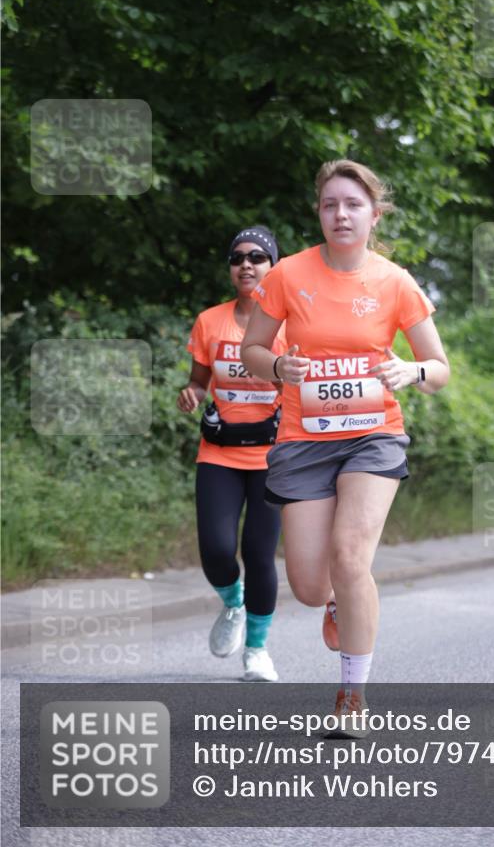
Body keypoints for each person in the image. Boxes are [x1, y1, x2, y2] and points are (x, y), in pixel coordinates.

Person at [241, 160, 450, 731]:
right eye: (330, 204)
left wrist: (413, 372)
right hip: (303, 439)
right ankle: (337, 600)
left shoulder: (395, 281)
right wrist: (280, 364)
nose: (341, 214)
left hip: (373, 435)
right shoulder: (287, 274)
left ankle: (352, 696)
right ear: (319, 212)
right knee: (311, 586)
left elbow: (440, 367)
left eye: (353, 205)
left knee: (352, 557)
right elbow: (251, 351)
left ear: (373, 214)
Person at [177, 226, 286, 682]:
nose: (246, 264)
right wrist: (193, 392)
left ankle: (257, 652)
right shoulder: (210, 321)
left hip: (272, 457)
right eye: (238, 257)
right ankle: (232, 603)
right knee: (217, 551)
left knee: (260, 554)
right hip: (219, 453)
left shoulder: (292, 324)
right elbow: (200, 378)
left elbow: (308, 385)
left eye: (258, 257)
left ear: (273, 267)